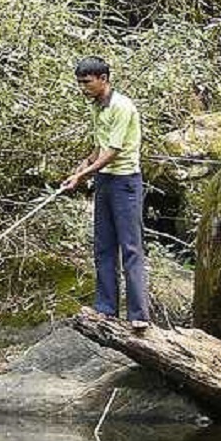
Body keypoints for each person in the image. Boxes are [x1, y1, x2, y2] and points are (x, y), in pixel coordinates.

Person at [62, 56, 150, 330]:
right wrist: (81, 167)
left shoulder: (122, 106)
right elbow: (100, 147)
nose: (82, 88)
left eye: (87, 82)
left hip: (125, 183)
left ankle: (138, 315)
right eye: (79, 83)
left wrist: (83, 175)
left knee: (131, 248)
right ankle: (106, 308)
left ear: (103, 79)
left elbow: (113, 151)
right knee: (103, 246)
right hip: (105, 182)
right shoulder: (97, 106)